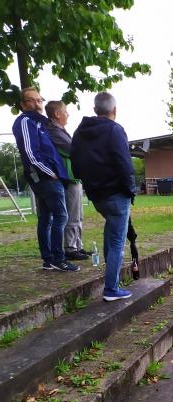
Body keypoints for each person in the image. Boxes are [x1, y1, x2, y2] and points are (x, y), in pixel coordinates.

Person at [71, 92, 135, 301]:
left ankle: (112, 282)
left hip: (96, 195)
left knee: (110, 234)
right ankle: (111, 288)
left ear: (95, 109)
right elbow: (125, 165)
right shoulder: (115, 130)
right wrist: (130, 190)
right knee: (117, 242)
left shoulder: (80, 133)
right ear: (114, 110)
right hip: (117, 194)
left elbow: (76, 167)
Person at [12, 87, 80, 272]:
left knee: (47, 218)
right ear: (23, 104)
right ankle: (59, 258)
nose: (37, 104)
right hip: (44, 177)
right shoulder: (26, 121)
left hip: (49, 175)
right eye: (31, 101)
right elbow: (30, 153)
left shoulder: (41, 123)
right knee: (61, 215)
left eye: (39, 100)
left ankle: (49, 259)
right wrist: (49, 172)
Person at [45, 100, 88, 261]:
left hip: (73, 176)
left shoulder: (59, 130)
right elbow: (73, 149)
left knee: (78, 213)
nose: (67, 114)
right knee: (72, 213)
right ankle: (70, 247)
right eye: (65, 111)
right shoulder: (54, 131)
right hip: (68, 177)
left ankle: (78, 245)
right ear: (57, 114)